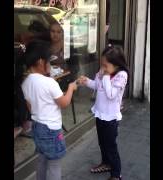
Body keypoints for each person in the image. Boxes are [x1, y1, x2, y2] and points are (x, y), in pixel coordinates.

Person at [21, 40, 78, 180]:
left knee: (42, 159)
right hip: (51, 129)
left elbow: (30, 107)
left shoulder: (25, 83)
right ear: (41, 62)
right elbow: (64, 103)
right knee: (54, 164)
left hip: (37, 126)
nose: (50, 65)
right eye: (49, 61)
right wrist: (71, 88)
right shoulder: (49, 82)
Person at [78, 45, 128, 180]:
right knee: (102, 143)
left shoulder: (121, 75)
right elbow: (97, 86)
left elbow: (111, 94)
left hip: (111, 118)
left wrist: (105, 76)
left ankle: (116, 175)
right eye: (102, 64)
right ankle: (106, 163)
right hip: (100, 114)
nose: (103, 68)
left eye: (106, 65)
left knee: (111, 146)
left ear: (117, 64)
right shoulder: (104, 71)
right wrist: (87, 81)